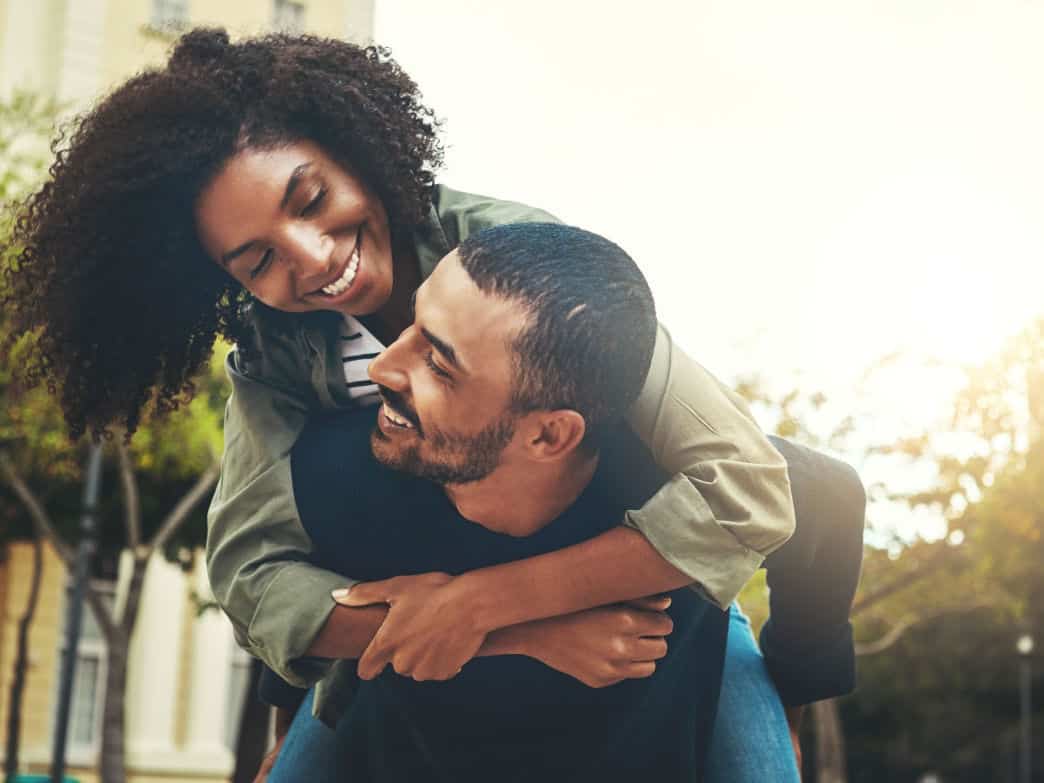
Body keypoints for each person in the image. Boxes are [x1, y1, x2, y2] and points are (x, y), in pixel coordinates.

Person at [2, 28, 860, 778]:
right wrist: (496, 628)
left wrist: (482, 602)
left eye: (311, 199)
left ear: (356, 151)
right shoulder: (273, 361)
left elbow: (752, 484)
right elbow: (256, 579)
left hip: (648, 591)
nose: (309, 258)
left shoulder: (517, 265)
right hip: (404, 635)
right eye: (256, 260)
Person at [272, 223, 729, 781]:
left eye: (439, 366)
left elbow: (830, 495)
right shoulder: (334, 472)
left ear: (548, 436)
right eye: (413, 323)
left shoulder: (688, 499)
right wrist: (520, 629)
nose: (381, 368)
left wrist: (798, 706)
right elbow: (283, 593)